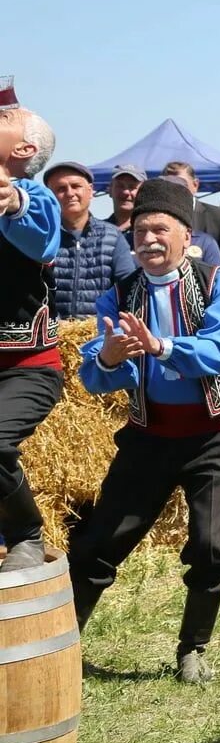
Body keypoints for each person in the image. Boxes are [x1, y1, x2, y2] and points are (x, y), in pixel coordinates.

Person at [72, 177, 220, 683]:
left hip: (215, 436)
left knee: (210, 547)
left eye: (159, 230)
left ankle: (192, 649)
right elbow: (100, 374)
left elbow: (219, 353)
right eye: (139, 231)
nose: (148, 240)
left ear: (184, 233)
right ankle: (61, 644)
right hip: (149, 438)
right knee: (98, 542)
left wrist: (163, 347)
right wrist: (108, 358)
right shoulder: (118, 296)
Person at [0, 88, 61, 571]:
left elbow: (42, 239)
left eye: (9, 116)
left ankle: (25, 533)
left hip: (26, 367)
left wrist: (14, 199)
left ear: (23, 151)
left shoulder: (35, 195)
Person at [43, 159, 136, 320]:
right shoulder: (41, 236)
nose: (70, 193)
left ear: (90, 190)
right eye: (61, 189)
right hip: (50, 336)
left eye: (76, 186)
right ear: (50, 196)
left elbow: (128, 288)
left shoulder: (112, 236)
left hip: (100, 336)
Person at [161, 161, 220, 274]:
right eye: (170, 187)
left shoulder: (219, 217)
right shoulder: (157, 218)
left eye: (181, 186)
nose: (175, 192)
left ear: (195, 185)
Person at [106, 164, 146, 232]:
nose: (126, 192)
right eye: (120, 186)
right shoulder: (97, 231)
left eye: (132, 187)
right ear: (110, 190)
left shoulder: (148, 232)